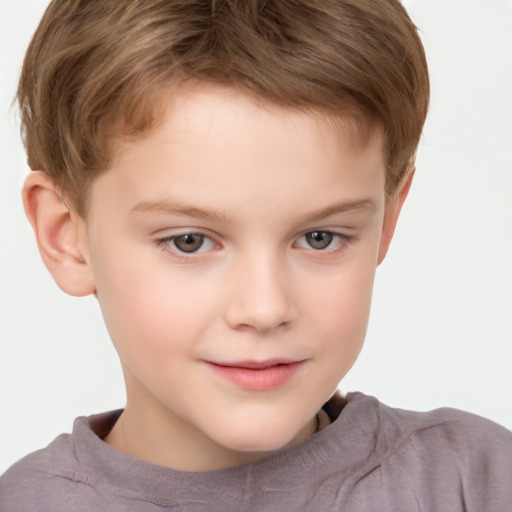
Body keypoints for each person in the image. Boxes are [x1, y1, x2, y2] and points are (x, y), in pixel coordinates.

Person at [0, 0, 511, 510]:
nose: (265, 309)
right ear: (67, 236)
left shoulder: (479, 481)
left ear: (387, 221)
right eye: (189, 241)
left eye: (320, 238)